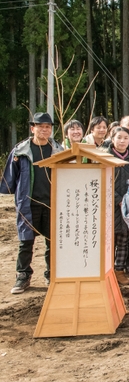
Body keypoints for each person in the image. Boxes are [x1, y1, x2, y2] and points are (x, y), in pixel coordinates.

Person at [1, 112, 63, 294]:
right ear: (32, 128)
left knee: (52, 240)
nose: (44, 130)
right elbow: (11, 175)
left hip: (52, 202)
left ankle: (51, 273)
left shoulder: (57, 150)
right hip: (28, 202)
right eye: (40, 126)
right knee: (25, 241)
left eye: (48, 127)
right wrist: (9, 190)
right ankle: (23, 275)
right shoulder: (21, 151)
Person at [108, 127, 129, 285]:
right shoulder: (105, 156)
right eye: (119, 137)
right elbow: (101, 182)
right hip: (109, 204)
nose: (122, 141)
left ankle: (119, 270)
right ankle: (107, 270)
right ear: (112, 138)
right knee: (108, 239)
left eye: (125, 138)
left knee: (124, 238)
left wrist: (127, 199)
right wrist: (117, 199)